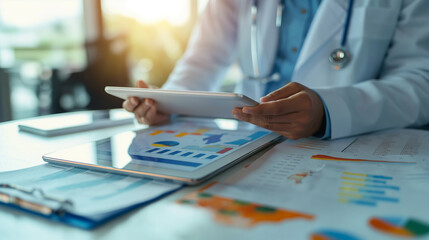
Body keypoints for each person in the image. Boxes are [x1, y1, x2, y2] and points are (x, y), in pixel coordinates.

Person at [123, 0, 429, 140]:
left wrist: (328, 111)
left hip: (355, 147)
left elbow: (420, 81)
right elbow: (204, 58)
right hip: (250, 144)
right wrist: (170, 102)